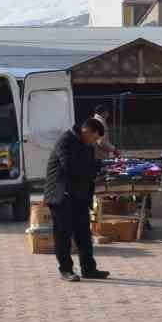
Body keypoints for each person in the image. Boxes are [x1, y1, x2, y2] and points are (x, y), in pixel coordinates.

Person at [45, 117, 110, 282]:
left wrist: (102, 167)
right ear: (86, 131)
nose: (94, 142)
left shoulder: (87, 145)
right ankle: (66, 270)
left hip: (79, 195)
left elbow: (90, 164)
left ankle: (89, 268)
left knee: (84, 235)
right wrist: (93, 172)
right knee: (63, 235)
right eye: (94, 138)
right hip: (62, 195)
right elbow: (70, 167)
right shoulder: (65, 141)